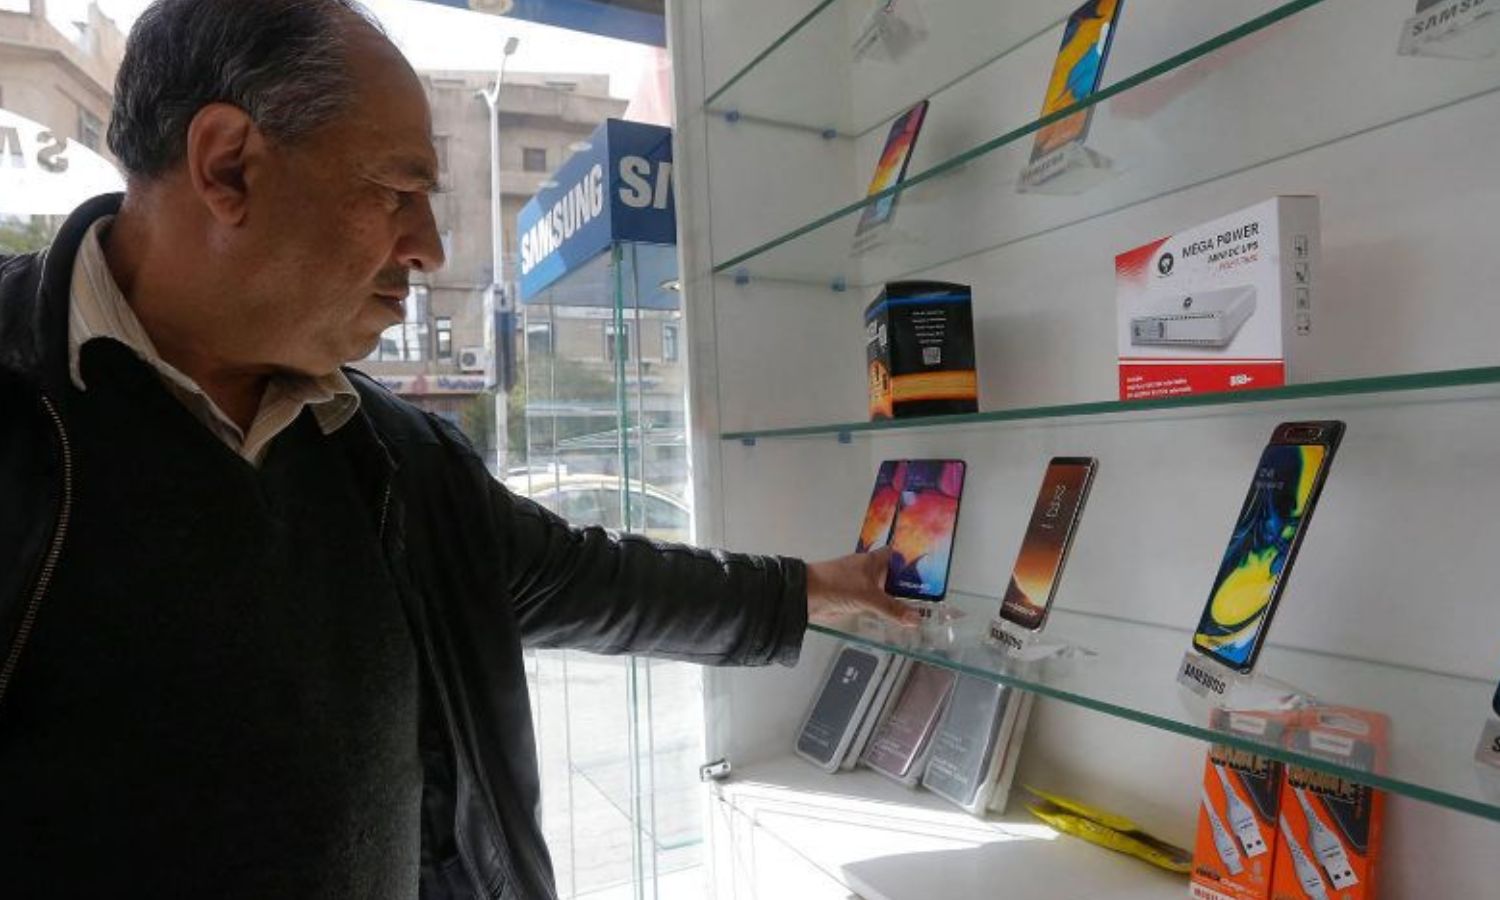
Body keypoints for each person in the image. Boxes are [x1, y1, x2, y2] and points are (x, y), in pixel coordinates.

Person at [0, 1, 914, 897]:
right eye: (398, 192)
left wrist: (818, 588)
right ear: (228, 166)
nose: (430, 248)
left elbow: (595, 581)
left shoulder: (395, 458)